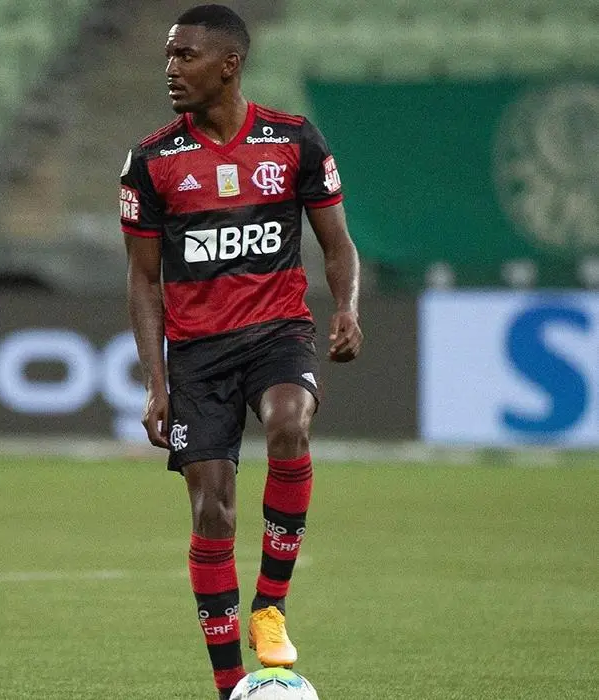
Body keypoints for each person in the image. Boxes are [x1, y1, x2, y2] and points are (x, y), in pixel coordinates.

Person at [120, 5, 362, 699]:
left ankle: (270, 606)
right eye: (168, 55)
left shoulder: (294, 141)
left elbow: (338, 243)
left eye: (185, 56)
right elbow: (142, 279)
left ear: (229, 64)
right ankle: (231, 686)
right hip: (197, 356)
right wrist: (156, 381)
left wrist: (346, 308)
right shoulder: (151, 161)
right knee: (212, 511)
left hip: (277, 332)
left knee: (289, 423)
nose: (171, 69)